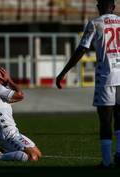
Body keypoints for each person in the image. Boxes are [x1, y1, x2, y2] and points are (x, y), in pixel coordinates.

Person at [56, 0, 120, 168]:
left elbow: (82, 49)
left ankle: (107, 162)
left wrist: (64, 72)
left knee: (106, 119)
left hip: (106, 77)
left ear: (99, 7)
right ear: (113, 7)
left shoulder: (95, 23)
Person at [0, 66, 42, 162]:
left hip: (13, 133)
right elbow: (20, 95)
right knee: (32, 157)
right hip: (8, 135)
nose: (6, 75)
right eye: (3, 74)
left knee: (38, 154)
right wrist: (9, 81)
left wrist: (8, 83)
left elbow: (17, 98)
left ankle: (3, 151)